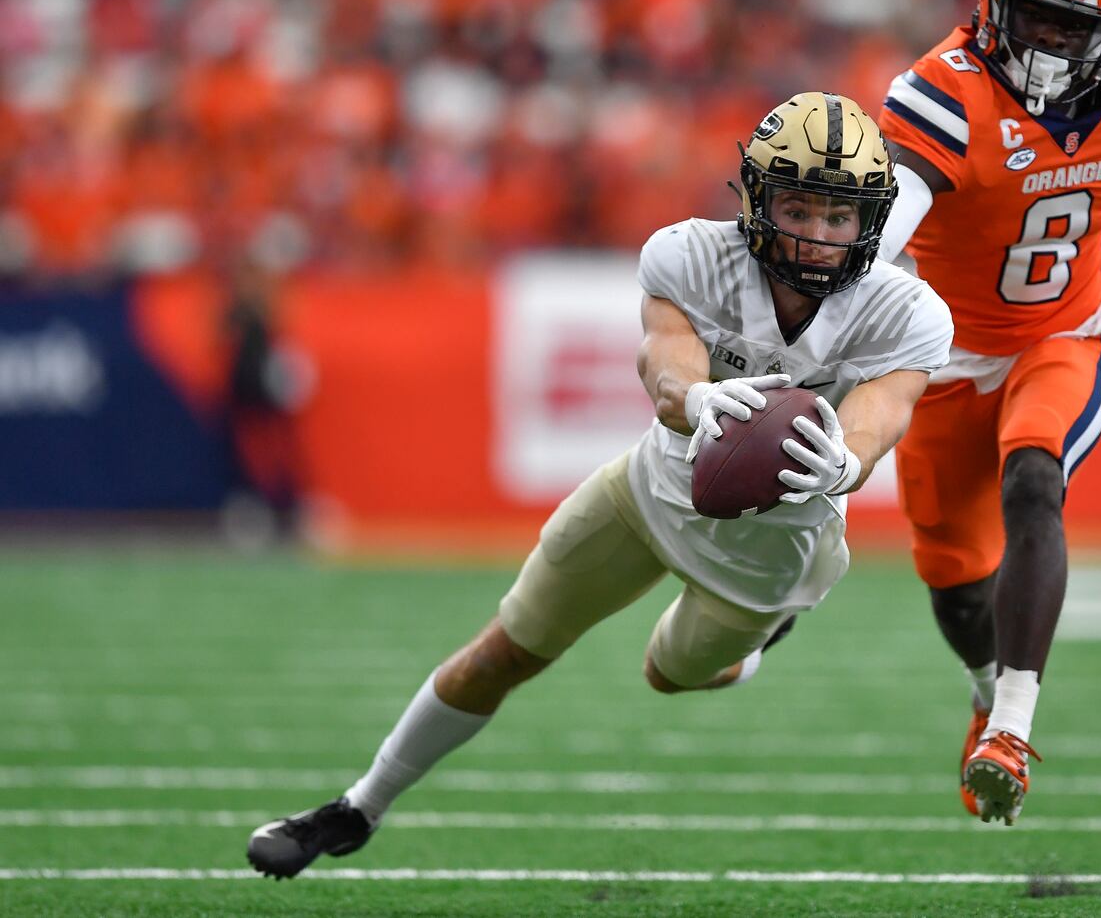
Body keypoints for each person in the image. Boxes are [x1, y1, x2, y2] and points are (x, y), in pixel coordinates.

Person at [245, 92, 954, 878]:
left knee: (667, 673)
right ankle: (358, 804)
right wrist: (696, 399)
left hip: (768, 552)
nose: (817, 235)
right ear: (756, 198)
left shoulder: (905, 308)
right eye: (797, 206)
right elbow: (664, 361)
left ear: (871, 221)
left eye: (838, 216)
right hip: (649, 494)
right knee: (503, 651)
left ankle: (753, 650)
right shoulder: (689, 255)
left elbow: (884, 410)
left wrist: (847, 461)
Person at [875, 0, 1101, 825]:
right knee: (951, 575)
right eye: (1040, 18)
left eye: (1077, 26)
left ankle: (1013, 727)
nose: (1056, 46)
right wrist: (847, 298)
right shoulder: (947, 89)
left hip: (1064, 329)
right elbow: (895, 214)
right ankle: (987, 687)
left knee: (1034, 478)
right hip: (945, 354)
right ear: (993, 1)